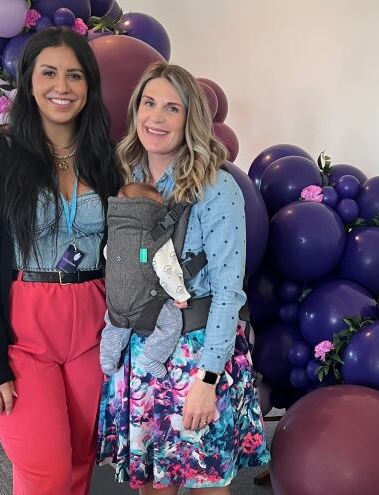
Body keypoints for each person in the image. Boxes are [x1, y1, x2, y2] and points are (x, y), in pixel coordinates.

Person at [0, 27, 123, 495]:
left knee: (80, 463)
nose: (62, 86)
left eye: (75, 75)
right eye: (49, 72)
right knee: (47, 473)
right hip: (21, 333)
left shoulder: (103, 158)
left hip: (90, 330)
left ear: (89, 86)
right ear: (29, 79)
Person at [96, 62, 270, 494]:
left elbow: (230, 291)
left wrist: (208, 381)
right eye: (149, 104)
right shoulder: (127, 177)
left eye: (172, 108)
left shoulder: (216, 186)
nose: (156, 118)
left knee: (206, 483)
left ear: (190, 119)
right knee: (152, 485)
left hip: (197, 354)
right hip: (141, 350)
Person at [99, 182, 191, 378]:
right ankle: (151, 357)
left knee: (114, 327)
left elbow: (107, 255)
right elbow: (167, 269)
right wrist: (180, 295)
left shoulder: (116, 232)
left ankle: (107, 359)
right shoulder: (154, 236)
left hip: (115, 304)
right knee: (172, 324)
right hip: (145, 306)